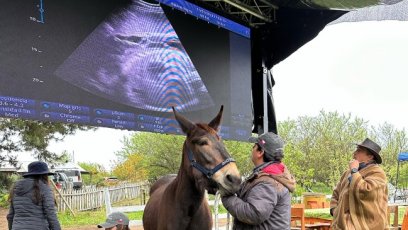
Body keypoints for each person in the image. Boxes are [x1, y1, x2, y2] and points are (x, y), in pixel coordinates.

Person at [221, 132, 296, 230]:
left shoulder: (268, 182)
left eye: (254, 146)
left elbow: (253, 213)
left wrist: (226, 197)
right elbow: (245, 193)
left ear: (260, 152)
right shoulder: (267, 175)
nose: (252, 149)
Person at [330, 138, 388, 230]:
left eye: (359, 150)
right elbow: (336, 193)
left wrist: (354, 171)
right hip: (343, 224)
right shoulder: (347, 173)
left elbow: (366, 191)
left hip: (368, 225)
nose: (354, 153)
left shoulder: (377, 173)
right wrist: (335, 211)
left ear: (370, 157)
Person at [7, 161, 61, 230]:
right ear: (44, 175)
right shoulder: (45, 188)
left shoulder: (16, 187)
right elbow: (51, 214)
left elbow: (10, 216)